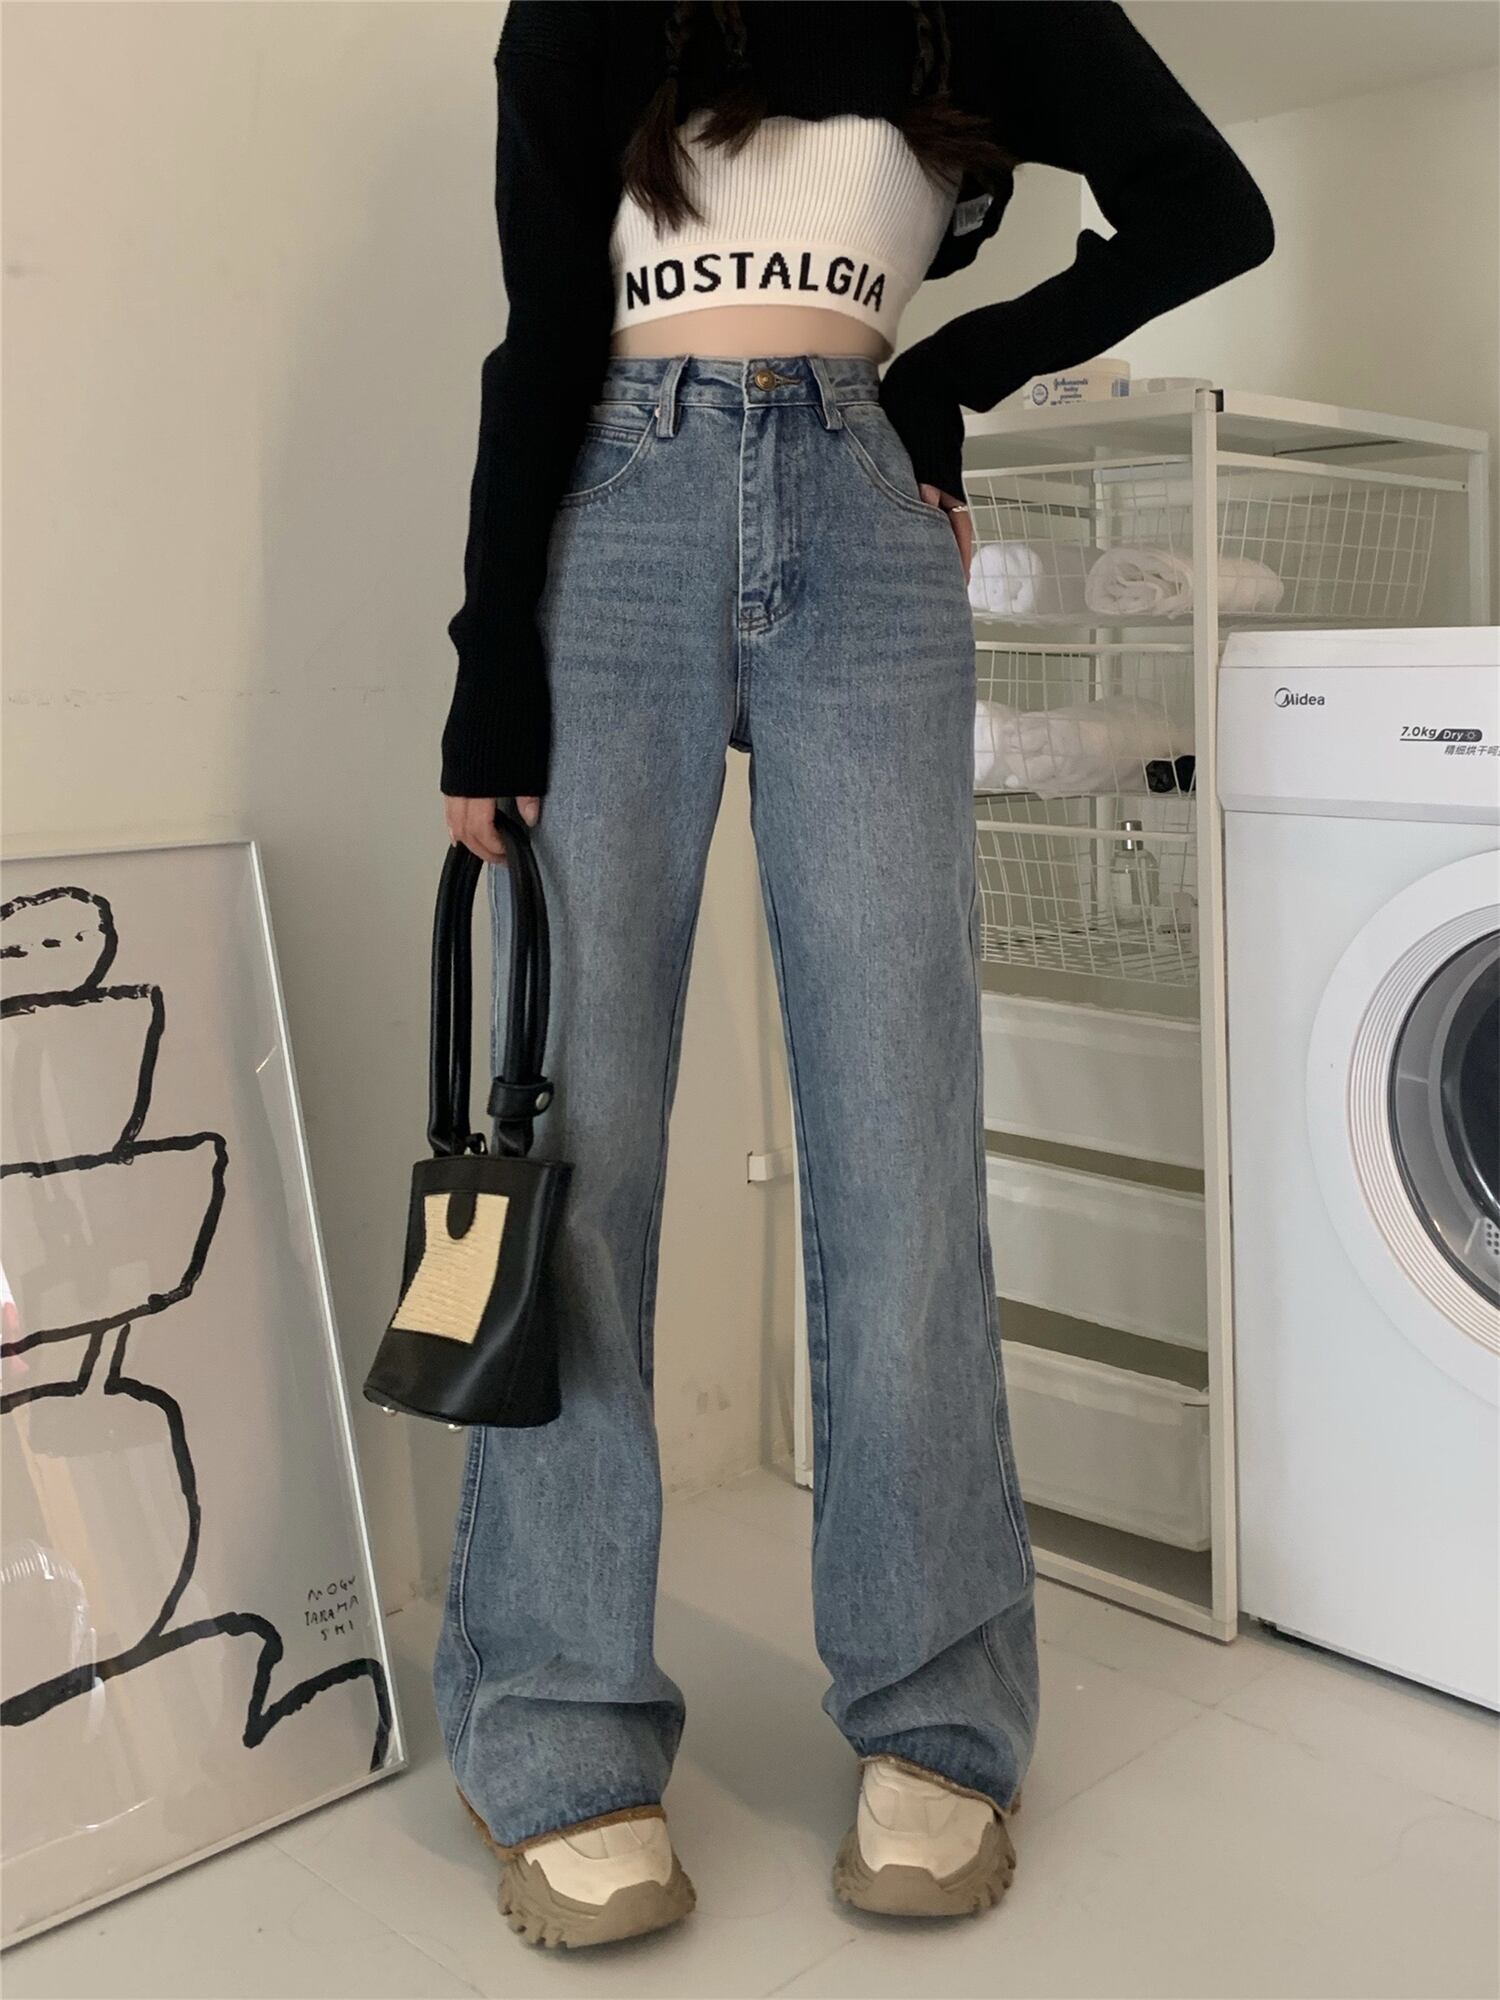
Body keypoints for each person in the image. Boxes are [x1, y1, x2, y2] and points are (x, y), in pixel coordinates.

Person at [434, 0, 1273, 1950]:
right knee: (577, 1157)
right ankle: (555, 1727)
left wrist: (954, 369)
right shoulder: (586, 5)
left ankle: (938, 1707)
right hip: (617, 516)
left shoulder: (984, 5)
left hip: (864, 522)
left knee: (900, 1150)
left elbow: (1207, 207)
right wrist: (489, 675)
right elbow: (543, 328)